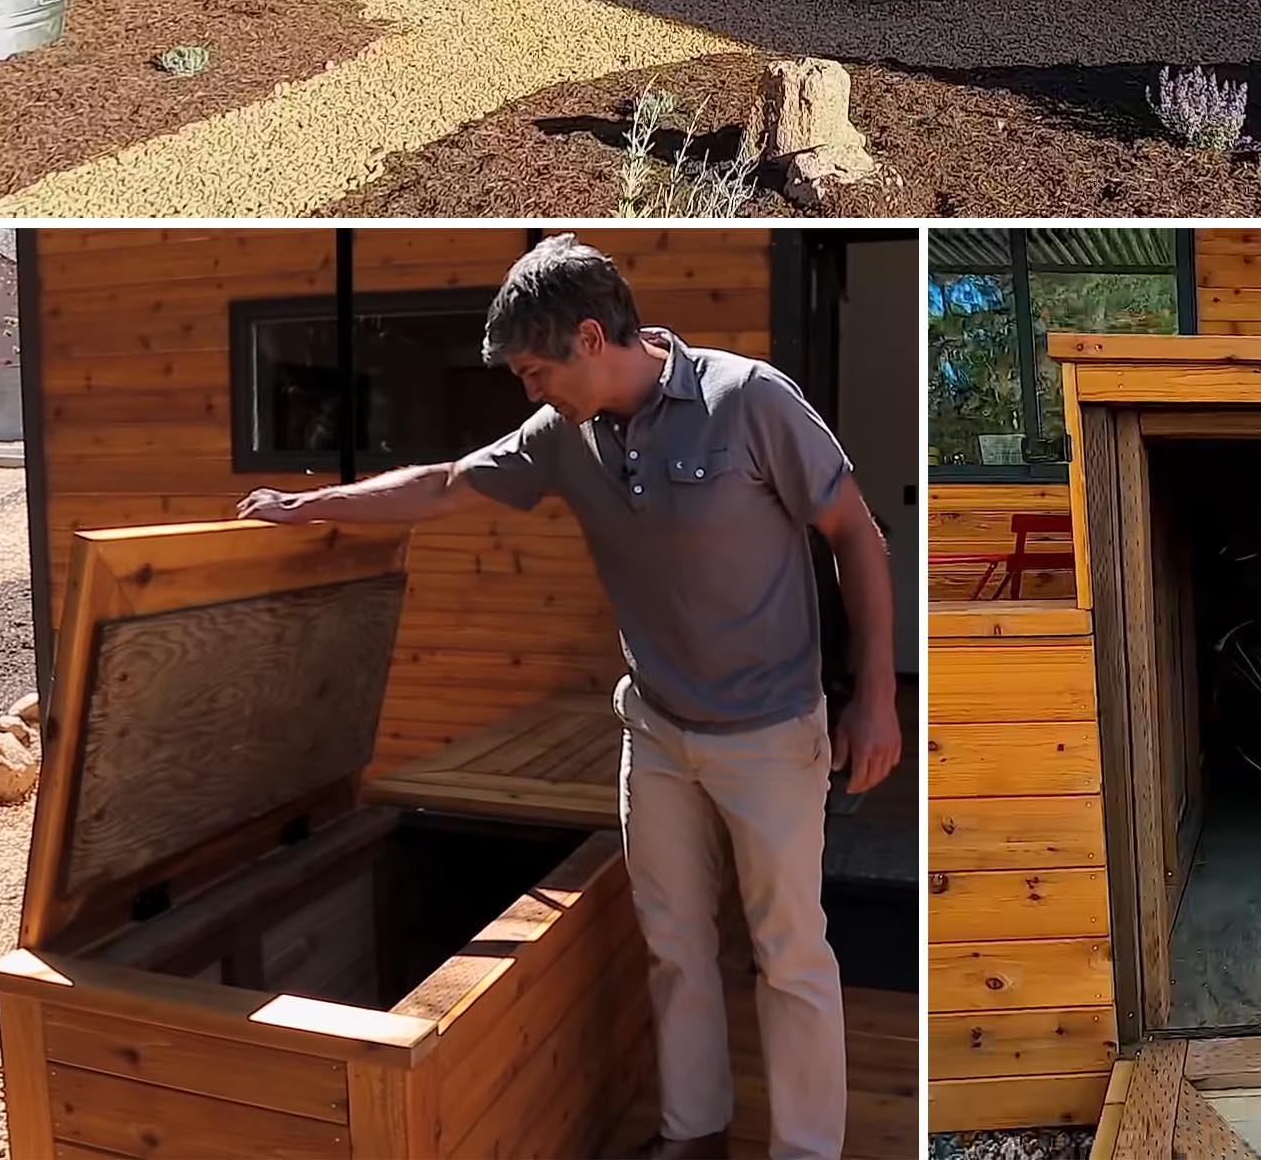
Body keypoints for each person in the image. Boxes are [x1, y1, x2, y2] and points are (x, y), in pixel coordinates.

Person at [237, 235, 900, 1160]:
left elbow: (857, 535)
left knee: (790, 956)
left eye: (535, 370)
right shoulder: (563, 435)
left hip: (772, 733)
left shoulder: (748, 401)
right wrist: (316, 506)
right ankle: (693, 1132)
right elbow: (443, 483)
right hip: (658, 733)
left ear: (593, 337)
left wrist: (876, 695)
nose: (529, 391)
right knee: (673, 944)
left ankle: (804, 1151)